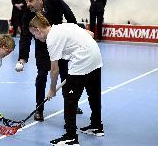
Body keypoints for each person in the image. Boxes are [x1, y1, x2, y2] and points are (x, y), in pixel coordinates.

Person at [29, 12, 104, 146]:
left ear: (38, 30)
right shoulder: (62, 26)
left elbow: (54, 70)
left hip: (83, 58)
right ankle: (96, 126)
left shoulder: (51, 39)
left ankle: (70, 136)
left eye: (34, 34)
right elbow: (90, 34)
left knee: (69, 97)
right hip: (96, 55)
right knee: (93, 93)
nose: (35, 37)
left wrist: (52, 89)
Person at [15, 0, 83, 123]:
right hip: (42, 48)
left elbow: (70, 17)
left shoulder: (55, 1)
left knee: (66, 75)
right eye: (27, 1)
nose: (28, 4)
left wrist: (76, 36)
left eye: (30, 1)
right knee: (41, 77)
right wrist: (22, 58)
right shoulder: (28, 14)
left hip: (61, 45)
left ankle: (71, 105)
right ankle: (39, 109)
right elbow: (25, 37)